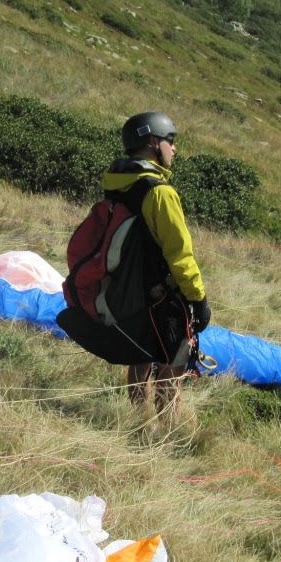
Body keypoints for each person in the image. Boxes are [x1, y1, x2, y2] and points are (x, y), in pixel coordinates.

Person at [58, 111, 211, 422]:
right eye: (171, 141)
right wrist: (198, 299)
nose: (174, 148)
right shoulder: (159, 192)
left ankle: (139, 423)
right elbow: (180, 255)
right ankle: (168, 434)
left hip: (127, 293)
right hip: (161, 295)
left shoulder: (119, 184)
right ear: (153, 142)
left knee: (139, 359)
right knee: (172, 366)